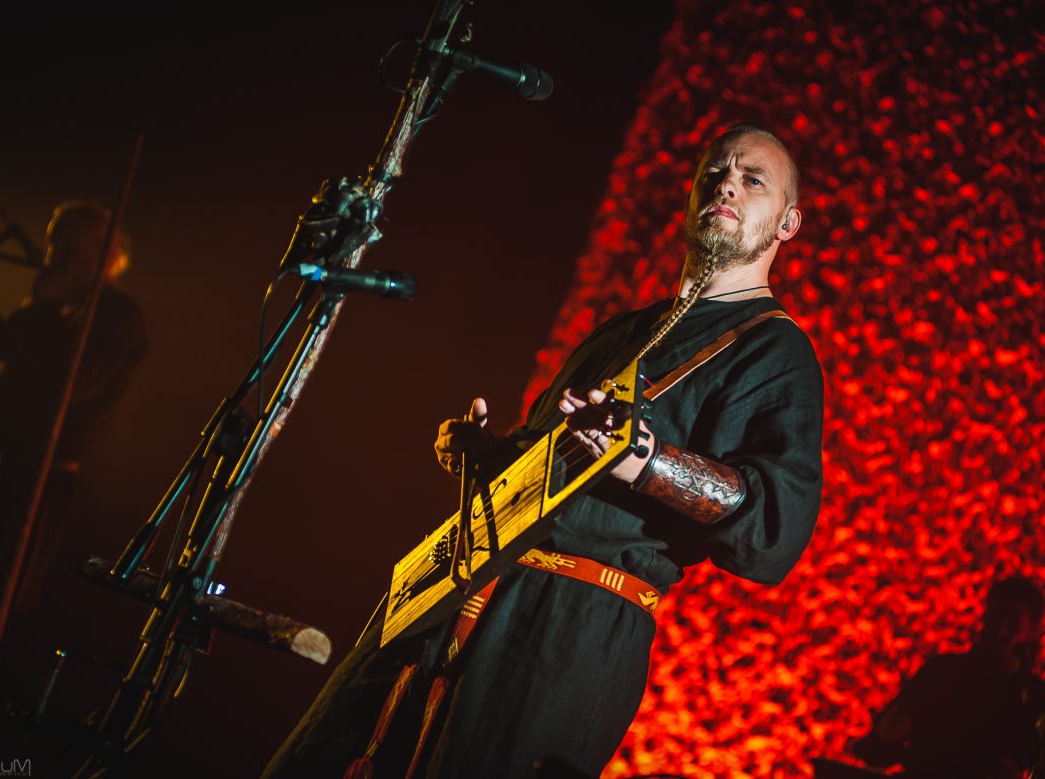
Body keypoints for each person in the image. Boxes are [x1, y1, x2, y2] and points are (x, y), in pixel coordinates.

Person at [264, 124, 824, 779]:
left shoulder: (775, 350)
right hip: (459, 578)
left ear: (788, 222)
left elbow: (774, 529)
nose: (726, 184)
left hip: (565, 627)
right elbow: (550, 469)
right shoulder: (623, 329)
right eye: (714, 173)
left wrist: (645, 460)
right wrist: (489, 456)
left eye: (752, 179)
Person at [0, 201, 146, 755]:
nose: (51, 257)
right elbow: (4, 355)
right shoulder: (68, 311)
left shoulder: (116, 317)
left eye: (64, 246)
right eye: (52, 243)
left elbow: (64, 385)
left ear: (99, 254)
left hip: (29, 490)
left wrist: (43, 308)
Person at [854, 575, 1045, 779]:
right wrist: (886, 738)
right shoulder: (939, 674)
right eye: (995, 617)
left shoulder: (1041, 705)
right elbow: (876, 753)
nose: (1000, 630)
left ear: (1032, 631)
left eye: (1012, 623)